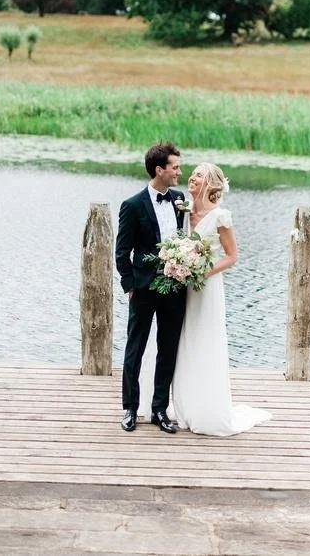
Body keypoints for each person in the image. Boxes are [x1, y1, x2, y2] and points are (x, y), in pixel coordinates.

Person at [170, 162, 272, 436]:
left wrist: (202, 271)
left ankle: (208, 409)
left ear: (211, 184)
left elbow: (231, 256)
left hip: (207, 287)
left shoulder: (220, 217)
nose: (191, 176)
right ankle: (184, 406)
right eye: (192, 173)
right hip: (184, 287)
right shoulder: (183, 209)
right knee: (184, 342)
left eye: (199, 175)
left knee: (204, 340)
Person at [116, 141, 186, 434]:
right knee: (136, 347)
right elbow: (122, 252)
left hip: (175, 288)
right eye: (175, 167)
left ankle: (159, 409)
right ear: (160, 170)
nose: (180, 172)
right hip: (144, 289)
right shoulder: (132, 206)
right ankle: (130, 409)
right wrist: (130, 285)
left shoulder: (181, 200)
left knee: (167, 349)